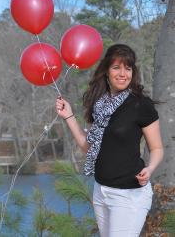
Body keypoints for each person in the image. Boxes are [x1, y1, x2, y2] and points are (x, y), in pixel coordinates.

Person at [55, 44, 164, 237]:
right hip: (101, 191)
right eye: (116, 67)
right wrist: (69, 116)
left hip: (129, 195)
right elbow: (90, 147)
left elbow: (156, 148)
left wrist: (150, 168)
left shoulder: (141, 105)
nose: (123, 74)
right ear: (106, 71)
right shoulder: (100, 105)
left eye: (128, 68)